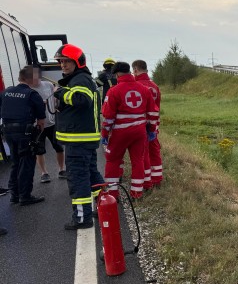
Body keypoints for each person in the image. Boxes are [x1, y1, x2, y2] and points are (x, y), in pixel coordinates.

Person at [53, 43, 104, 230]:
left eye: (67, 62)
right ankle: (103, 206)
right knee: (91, 174)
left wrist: (60, 92)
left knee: (78, 179)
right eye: (61, 62)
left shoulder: (80, 80)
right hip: (85, 140)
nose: (63, 65)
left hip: (78, 141)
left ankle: (82, 218)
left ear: (78, 62)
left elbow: (81, 100)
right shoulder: (83, 79)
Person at [101, 61, 158, 200]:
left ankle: (113, 194)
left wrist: (104, 134)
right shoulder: (144, 89)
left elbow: (108, 116)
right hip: (139, 132)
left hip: (120, 133)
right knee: (138, 161)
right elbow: (152, 112)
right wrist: (152, 130)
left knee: (113, 161)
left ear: (118, 74)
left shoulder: (113, 91)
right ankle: (137, 193)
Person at [0, 65, 46, 206]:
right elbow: (41, 122)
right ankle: (25, 196)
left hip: (7, 132)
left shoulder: (6, 92)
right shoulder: (32, 94)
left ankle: (14, 195)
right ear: (30, 78)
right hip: (24, 133)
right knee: (26, 164)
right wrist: (37, 136)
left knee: (15, 162)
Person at [30, 66, 66, 182]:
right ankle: (44, 173)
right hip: (37, 125)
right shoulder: (28, 89)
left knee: (59, 147)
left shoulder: (48, 85)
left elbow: (55, 96)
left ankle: (61, 170)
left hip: (51, 123)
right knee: (39, 150)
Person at [133, 59, 163, 189]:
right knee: (154, 152)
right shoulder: (155, 86)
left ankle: (146, 181)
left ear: (135, 70)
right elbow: (158, 107)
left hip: (140, 125)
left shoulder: (135, 85)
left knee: (142, 154)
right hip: (153, 124)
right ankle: (157, 178)